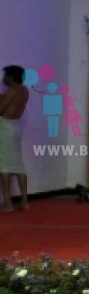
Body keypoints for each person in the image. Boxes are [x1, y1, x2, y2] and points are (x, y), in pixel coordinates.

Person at [0, 65, 29, 211]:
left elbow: (1, 109)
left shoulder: (11, 91)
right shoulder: (24, 91)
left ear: (12, 77)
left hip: (5, 127)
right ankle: (24, 201)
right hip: (16, 127)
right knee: (18, 164)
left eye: (5, 75)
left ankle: (7, 203)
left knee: (4, 165)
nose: (3, 78)